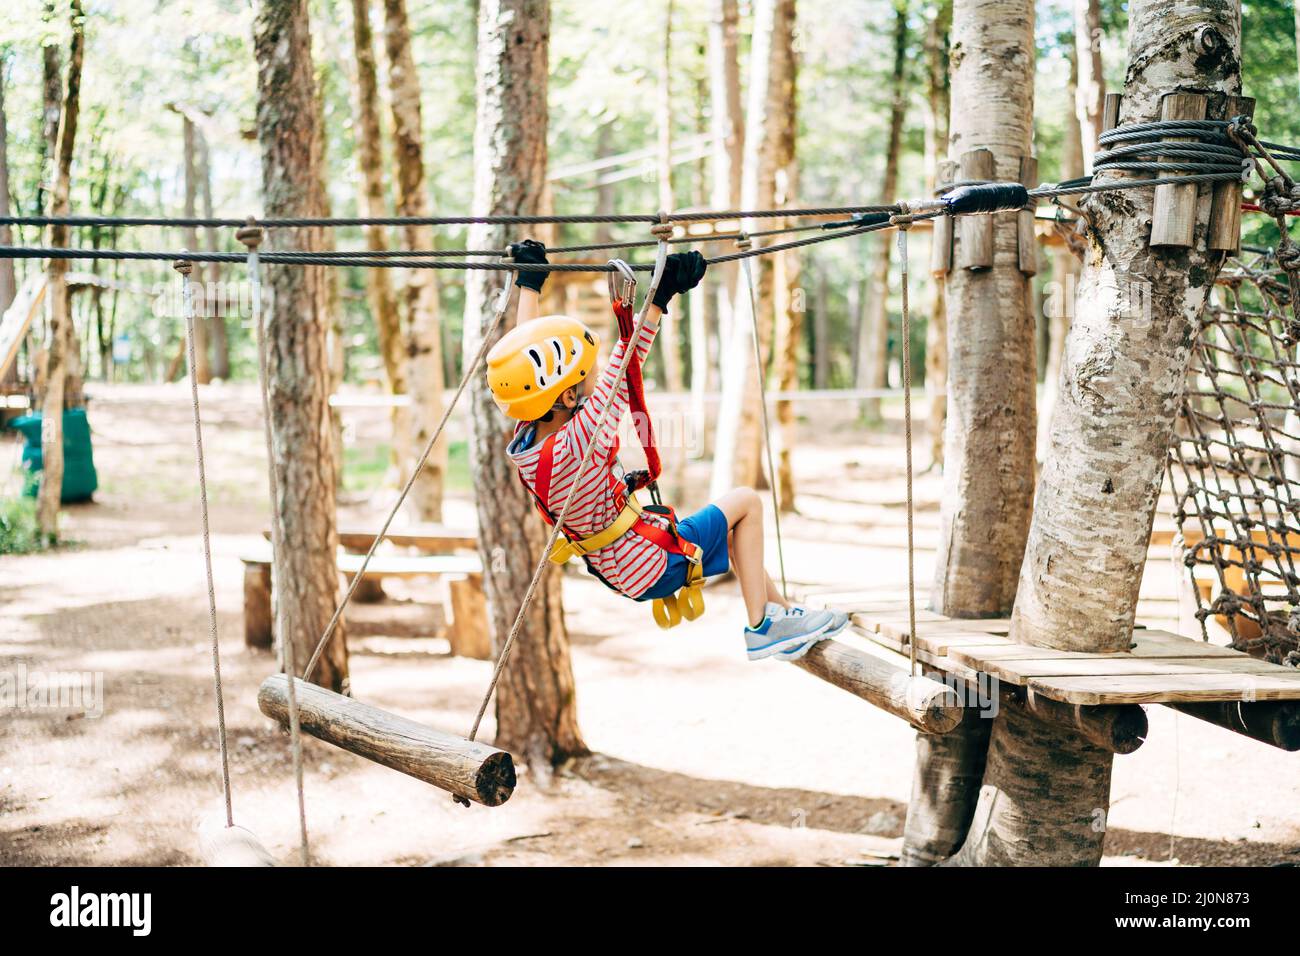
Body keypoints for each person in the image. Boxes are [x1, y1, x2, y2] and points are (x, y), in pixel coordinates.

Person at [486, 240, 846, 660]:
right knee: (746, 502)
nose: (592, 382)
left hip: (620, 564)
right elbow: (628, 361)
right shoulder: (582, 436)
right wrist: (660, 297)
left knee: (729, 530)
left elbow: (523, 357)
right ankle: (762, 627)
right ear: (566, 398)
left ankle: (782, 612)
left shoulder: (530, 436)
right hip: (649, 561)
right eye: (585, 376)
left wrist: (529, 283)